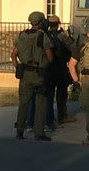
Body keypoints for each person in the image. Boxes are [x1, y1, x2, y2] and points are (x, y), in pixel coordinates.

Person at [11, 11, 53, 141]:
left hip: (24, 74)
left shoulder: (21, 35)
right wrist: (46, 65)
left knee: (24, 103)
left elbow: (13, 55)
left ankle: (19, 131)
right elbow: (50, 55)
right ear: (40, 23)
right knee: (40, 102)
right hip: (38, 74)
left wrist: (18, 67)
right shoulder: (42, 36)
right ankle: (39, 133)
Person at [45, 15, 76, 127]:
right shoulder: (62, 35)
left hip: (48, 69)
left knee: (48, 96)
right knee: (61, 95)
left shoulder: (45, 35)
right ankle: (62, 117)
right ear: (58, 24)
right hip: (61, 68)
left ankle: (49, 120)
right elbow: (72, 48)